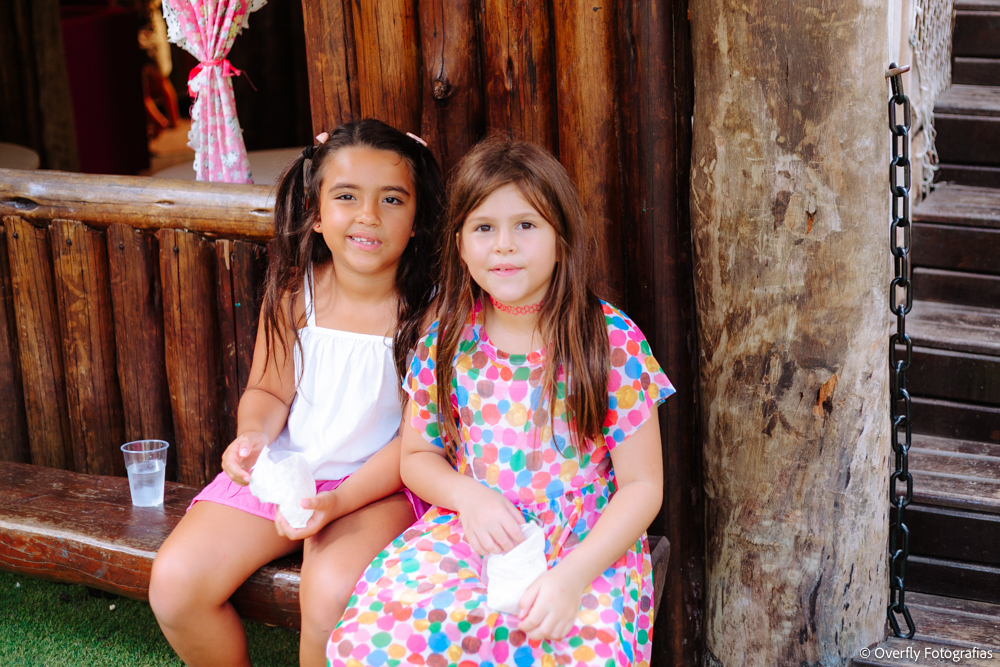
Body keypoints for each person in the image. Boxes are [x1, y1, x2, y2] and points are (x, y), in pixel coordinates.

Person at [327, 138, 675, 667]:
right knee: (373, 643)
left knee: (565, 651)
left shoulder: (608, 340)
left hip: (583, 546)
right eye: (484, 228)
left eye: (526, 225)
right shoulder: (447, 340)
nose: (504, 246)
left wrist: (572, 577)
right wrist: (468, 498)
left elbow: (643, 485)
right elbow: (417, 457)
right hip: (473, 529)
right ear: (460, 245)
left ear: (561, 239)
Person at [149, 119, 444, 667]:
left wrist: (337, 502)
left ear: (417, 220)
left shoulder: (432, 313)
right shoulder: (294, 292)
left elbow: (416, 442)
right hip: (289, 470)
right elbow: (267, 388)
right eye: (347, 195)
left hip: (377, 486)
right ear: (316, 211)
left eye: (392, 199)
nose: (368, 215)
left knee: (332, 593)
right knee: (176, 582)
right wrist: (253, 437)